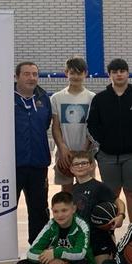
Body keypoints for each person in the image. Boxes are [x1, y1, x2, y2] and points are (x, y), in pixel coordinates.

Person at [86, 58, 132, 222]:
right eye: (115, 72)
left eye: (122, 71)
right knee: (111, 195)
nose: (119, 75)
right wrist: (103, 143)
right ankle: (109, 238)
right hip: (107, 156)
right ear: (109, 75)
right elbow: (92, 124)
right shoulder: (100, 99)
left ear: (127, 73)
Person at [11, 192, 94, 264]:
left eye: (64, 210)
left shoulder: (82, 225)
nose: (60, 215)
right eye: (56, 211)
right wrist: (49, 260)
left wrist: (56, 253)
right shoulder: (50, 226)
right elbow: (31, 252)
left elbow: (80, 253)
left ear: (73, 209)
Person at [69, 150, 126, 264]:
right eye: (76, 164)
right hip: (82, 236)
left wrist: (120, 215)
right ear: (71, 169)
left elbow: (118, 201)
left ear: (91, 166)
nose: (80, 166)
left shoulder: (99, 187)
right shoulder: (73, 190)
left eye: (84, 163)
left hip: (99, 236)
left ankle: (116, 254)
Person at [14, 61, 52, 244]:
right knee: (7, 209)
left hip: (38, 164)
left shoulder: (44, 98)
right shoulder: (6, 100)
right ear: (16, 77)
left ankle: (38, 248)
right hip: (13, 165)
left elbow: (45, 126)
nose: (31, 78)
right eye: (26, 74)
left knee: (39, 209)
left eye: (35, 74)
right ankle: (4, 250)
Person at [50, 56, 95, 193]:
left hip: (86, 151)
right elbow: (55, 126)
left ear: (85, 74)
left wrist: (84, 151)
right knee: (67, 192)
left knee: (86, 191)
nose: (76, 76)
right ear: (66, 73)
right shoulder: (57, 98)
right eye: (72, 72)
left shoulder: (92, 98)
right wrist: (62, 148)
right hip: (64, 153)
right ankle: (69, 215)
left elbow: (92, 127)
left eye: (79, 73)